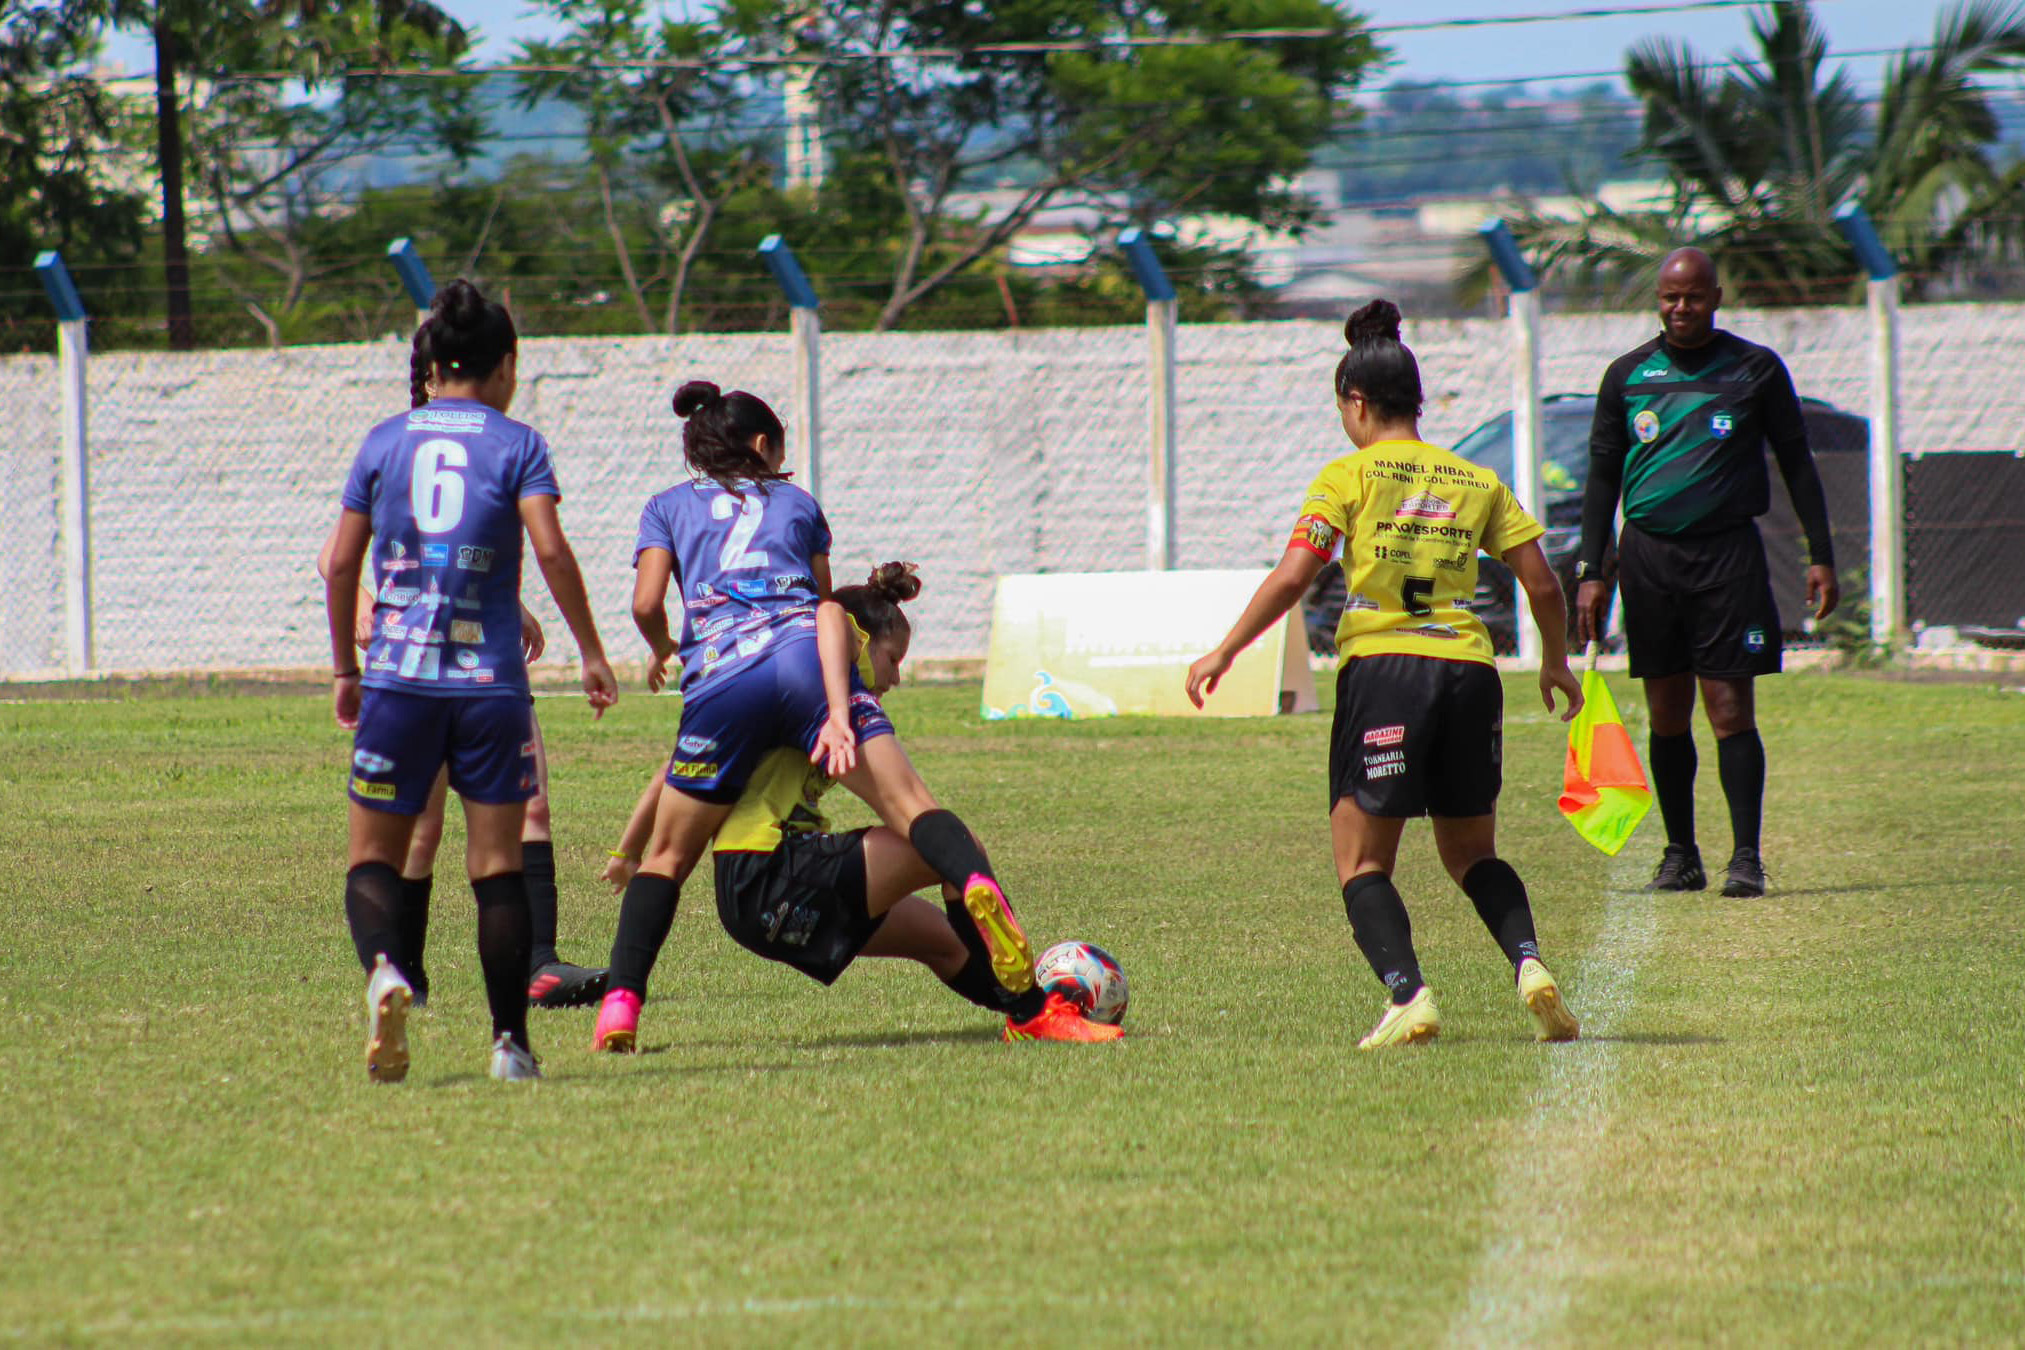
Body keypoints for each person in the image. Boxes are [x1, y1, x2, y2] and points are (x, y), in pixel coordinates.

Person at [592, 384, 1054, 1051]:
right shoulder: (798, 503)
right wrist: (836, 709)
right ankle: (973, 879)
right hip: (803, 663)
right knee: (916, 809)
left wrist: (666, 649)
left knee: (668, 859)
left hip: (722, 674)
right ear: (763, 447)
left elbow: (642, 604)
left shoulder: (665, 506)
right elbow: (824, 610)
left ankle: (621, 1006)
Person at [1186, 299, 1584, 1050]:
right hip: (1469, 670)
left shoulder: (1346, 476)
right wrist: (1556, 662)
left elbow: (1292, 577)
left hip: (1385, 672)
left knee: (1362, 859)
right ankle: (1528, 963)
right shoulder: (1476, 479)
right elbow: (1540, 584)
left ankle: (1409, 995)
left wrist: (1225, 650)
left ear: (1356, 402)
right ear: (1418, 402)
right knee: (1472, 855)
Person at [324, 278, 617, 1084]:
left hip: (398, 680)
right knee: (495, 867)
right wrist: (591, 650)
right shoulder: (518, 443)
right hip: (489, 687)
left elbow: (338, 562)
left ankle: (386, 969)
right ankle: (509, 1046)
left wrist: (348, 668)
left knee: (372, 857)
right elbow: (551, 551)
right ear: (506, 364)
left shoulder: (385, 440)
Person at [660, 563, 1119, 1041]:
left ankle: (1033, 1015)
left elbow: (681, 761)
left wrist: (638, 854)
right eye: (892, 658)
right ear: (861, 640)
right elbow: (911, 809)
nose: (896, 677)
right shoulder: (829, 683)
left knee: (943, 942)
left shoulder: (785, 678)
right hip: (773, 876)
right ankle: (1034, 1007)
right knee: (952, 850)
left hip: (747, 897)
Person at [1574, 247, 1839, 898]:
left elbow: (1798, 463)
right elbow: (1601, 477)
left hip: (1727, 557)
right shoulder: (1626, 376)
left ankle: (1744, 857)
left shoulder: (1753, 369)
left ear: (1716, 298)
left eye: (1692, 296)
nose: (1680, 307)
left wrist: (1820, 553)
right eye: (1669, 297)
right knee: (1665, 711)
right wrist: (1590, 569)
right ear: (1657, 301)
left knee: (1727, 706)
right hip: (1648, 558)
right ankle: (1679, 853)